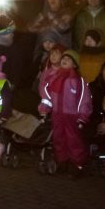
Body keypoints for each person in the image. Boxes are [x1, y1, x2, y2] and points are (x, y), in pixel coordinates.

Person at [38, 50, 92, 178]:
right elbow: (47, 94)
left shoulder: (79, 81)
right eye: (64, 58)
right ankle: (62, 161)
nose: (64, 60)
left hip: (72, 115)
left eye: (69, 59)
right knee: (59, 138)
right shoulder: (54, 77)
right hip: (57, 114)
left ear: (74, 64)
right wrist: (45, 107)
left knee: (74, 140)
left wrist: (83, 116)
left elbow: (84, 100)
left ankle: (77, 165)